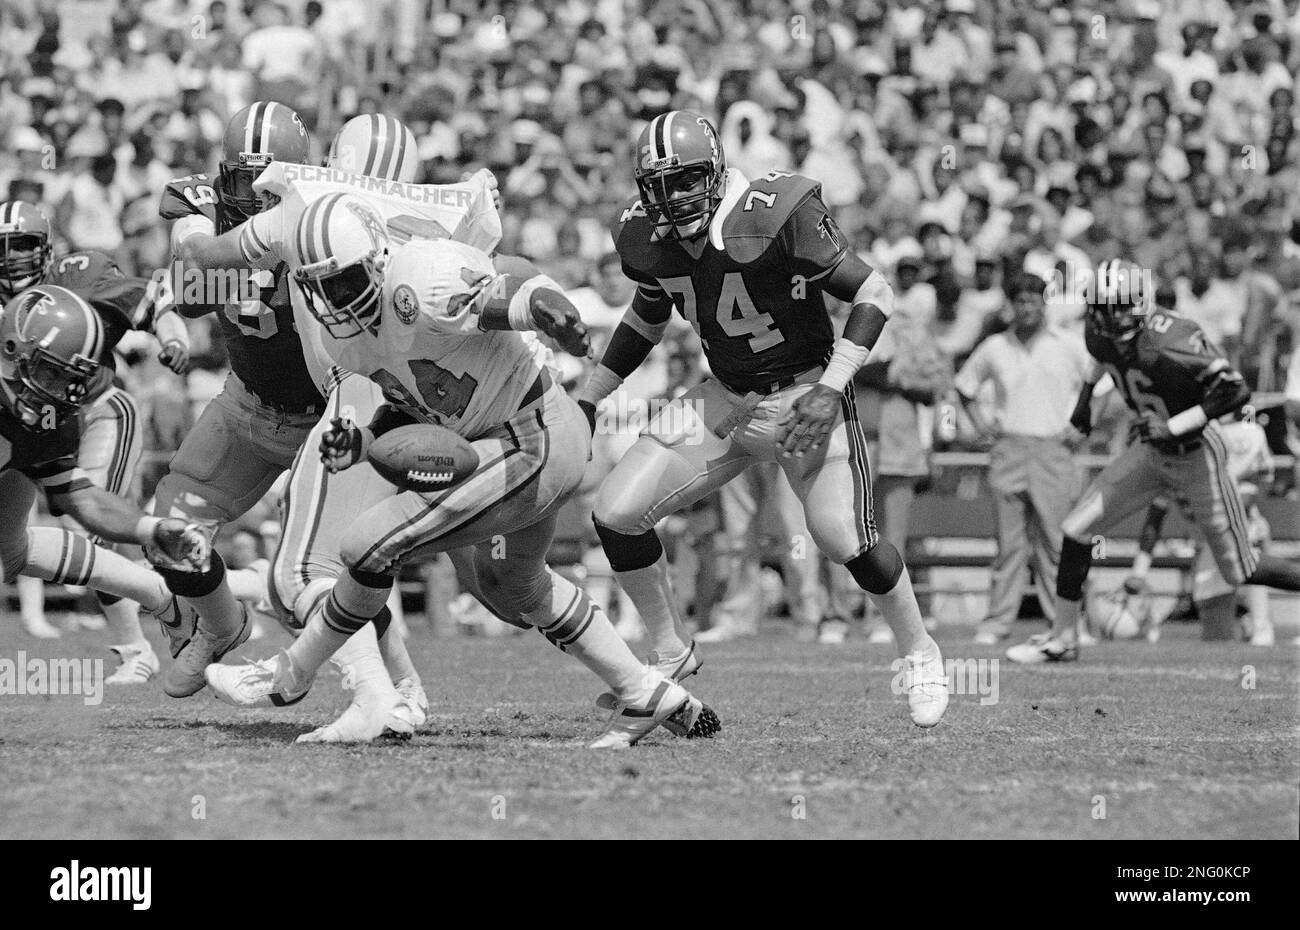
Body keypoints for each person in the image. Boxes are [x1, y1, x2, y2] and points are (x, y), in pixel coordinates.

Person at [201, 194, 719, 748]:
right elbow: (409, 403)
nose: (334, 301)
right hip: (507, 442)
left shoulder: (420, 278)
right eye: (319, 287)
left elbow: (514, 291)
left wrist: (550, 310)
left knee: (365, 544)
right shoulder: (341, 338)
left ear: (378, 259)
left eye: (344, 283)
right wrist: (367, 438)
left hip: (534, 433)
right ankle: (646, 693)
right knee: (516, 584)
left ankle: (290, 673)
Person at [576, 111, 948, 727]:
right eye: (660, 186)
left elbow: (874, 292)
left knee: (841, 538)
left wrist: (830, 390)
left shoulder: (773, 210)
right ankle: (670, 652)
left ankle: (920, 651)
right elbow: (647, 316)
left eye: (688, 180)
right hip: (726, 397)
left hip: (804, 394)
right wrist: (590, 396)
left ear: (717, 171)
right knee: (616, 511)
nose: (673, 199)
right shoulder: (647, 239)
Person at [1007, 260, 1300, 663]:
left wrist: (1174, 426)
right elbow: (1101, 360)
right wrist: (1083, 405)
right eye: (1106, 310)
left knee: (1241, 568)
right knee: (1076, 531)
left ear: (1141, 302)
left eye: (1123, 307)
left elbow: (1235, 391)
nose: (1114, 319)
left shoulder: (1174, 336)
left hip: (1197, 454)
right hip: (1149, 453)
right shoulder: (1097, 332)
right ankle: (1063, 638)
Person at [152, 100, 320, 698]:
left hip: (326, 418)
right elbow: (191, 282)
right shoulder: (206, 211)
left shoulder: (327, 220)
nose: (252, 194)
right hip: (247, 403)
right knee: (170, 528)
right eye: (241, 179)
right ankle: (225, 628)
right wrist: (195, 247)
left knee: (317, 569)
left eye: (267, 180)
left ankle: (386, 688)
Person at [0, 199, 190, 682]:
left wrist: (174, 339)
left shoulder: (76, 275)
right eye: (3, 247)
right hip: (24, 423)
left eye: (22, 245)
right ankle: (184, 600)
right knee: (9, 553)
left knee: (97, 522)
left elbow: (155, 300)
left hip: (96, 410)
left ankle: (141, 644)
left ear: (45, 248)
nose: (11, 257)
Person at [1, 284, 207, 632]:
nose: (57, 393)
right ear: (12, 350)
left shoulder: (47, 415)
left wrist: (152, 529)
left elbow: (84, 500)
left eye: (68, 380)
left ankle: (157, 592)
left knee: (12, 553)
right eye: (52, 373)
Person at [954, 271, 1091, 645]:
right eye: (1020, 301)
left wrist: (1082, 426)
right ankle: (998, 622)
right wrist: (982, 426)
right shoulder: (994, 346)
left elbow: (1101, 384)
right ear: (1011, 306)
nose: (1027, 307)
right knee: (1009, 544)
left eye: (1034, 300)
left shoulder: (1068, 343)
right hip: (1009, 447)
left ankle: (1064, 623)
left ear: (1044, 303)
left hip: (1054, 449)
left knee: (1057, 543)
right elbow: (964, 387)